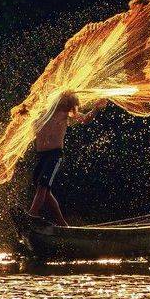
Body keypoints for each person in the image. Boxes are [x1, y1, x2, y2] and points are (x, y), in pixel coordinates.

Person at [27, 91, 104, 226]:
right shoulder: (44, 113)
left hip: (54, 155)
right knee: (44, 190)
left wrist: (96, 108)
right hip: (41, 156)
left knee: (43, 186)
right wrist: (24, 112)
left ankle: (33, 213)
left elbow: (85, 119)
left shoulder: (65, 115)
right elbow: (30, 120)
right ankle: (62, 223)